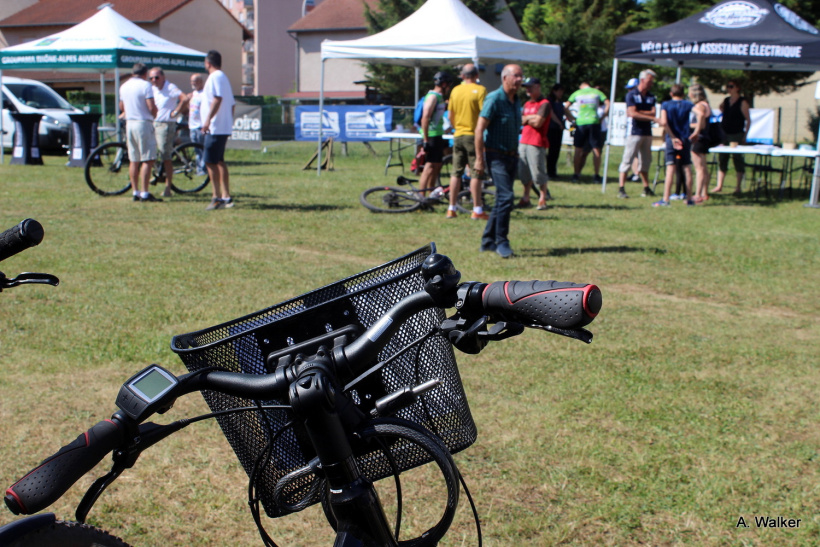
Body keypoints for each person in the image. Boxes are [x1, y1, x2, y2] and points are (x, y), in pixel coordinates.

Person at [474, 64, 523, 259]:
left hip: (512, 156)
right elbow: (479, 129)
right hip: (496, 156)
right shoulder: (494, 98)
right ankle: (502, 241)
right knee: (506, 198)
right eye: (516, 76)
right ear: (505, 78)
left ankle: (487, 241)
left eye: (521, 76)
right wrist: (479, 159)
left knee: (501, 199)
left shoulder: (516, 100)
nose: (520, 80)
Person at [447, 64, 488, 220]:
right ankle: (477, 208)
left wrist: (456, 126)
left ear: (462, 76)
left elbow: (450, 114)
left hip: (458, 134)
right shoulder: (481, 90)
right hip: (473, 134)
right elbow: (484, 113)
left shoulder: (455, 90)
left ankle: (451, 208)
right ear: (476, 75)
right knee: (476, 171)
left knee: (456, 171)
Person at [118, 63, 160, 202]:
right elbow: (150, 105)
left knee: (134, 159)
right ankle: (145, 192)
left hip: (130, 122)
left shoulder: (124, 86)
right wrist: (155, 114)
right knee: (148, 159)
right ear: (144, 73)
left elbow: (121, 106)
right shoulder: (145, 85)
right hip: (143, 122)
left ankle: (135, 191)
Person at [201, 50, 236, 210]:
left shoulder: (215, 77)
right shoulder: (224, 78)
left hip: (215, 128)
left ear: (208, 63)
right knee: (220, 161)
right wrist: (227, 121)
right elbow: (232, 104)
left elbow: (217, 98)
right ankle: (226, 196)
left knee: (210, 162)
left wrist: (208, 120)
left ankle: (216, 197)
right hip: (222, 126)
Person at [616, 69, 658, 198]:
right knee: (627, 159)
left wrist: (641, 113)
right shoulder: (632, 95)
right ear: (643, 80)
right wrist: (648, 115)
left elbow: (653, 112)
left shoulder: (651, 96)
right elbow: (632, 113)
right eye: (649, 81)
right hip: (634, 132)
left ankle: (646, 187)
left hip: (647, 132)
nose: (651, 84)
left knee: (646, 161)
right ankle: (621, 188)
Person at [418, 71, 455, 216]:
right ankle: (421, 197)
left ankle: (431, 193)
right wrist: (426, 139)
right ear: (444, 84)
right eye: (449, 85)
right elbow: (425, 117)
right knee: (429, 166)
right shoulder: (433, 96)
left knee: (437, 165)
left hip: (439, 134)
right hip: (432, 135)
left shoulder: (439, 97)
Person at [653, 84, 694, 207]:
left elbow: (664, 122)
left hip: (672, 139)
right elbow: (700, 114)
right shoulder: (688, 104)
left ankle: (666, 198)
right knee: (687, 168)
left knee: (670, 168)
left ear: (671, 94)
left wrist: (672, 137)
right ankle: (689, 198)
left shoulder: (666, 105)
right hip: (685, 138)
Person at [149, 67, 185, 198]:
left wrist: (176, 112)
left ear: (163, 77)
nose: (154, 80)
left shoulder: (170, 87)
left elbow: (184, 98)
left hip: (166, 124)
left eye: (157, 77)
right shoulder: (152, 89)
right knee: (151, 151)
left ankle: (168, 187)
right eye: (151, 78)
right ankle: (158, 174)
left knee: (165, 155)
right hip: (154, 123)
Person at [517, 77, 551, 210]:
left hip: (536, 142)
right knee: (523, 171)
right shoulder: (527, 104)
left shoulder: (544, 103)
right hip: (524, 140)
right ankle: (526, 197)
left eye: (530, 87)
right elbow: (520, 120)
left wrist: (527, 119)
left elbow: (539, 122)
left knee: (538, 171)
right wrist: (530, 118)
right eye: (526, 87)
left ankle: (542, 198)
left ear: (538, 87)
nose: (528, 89)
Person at [565, 82, 608, 183]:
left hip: (581, 122)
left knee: (578, 149)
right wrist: (603, 116)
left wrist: (573, 118)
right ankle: (596, 175)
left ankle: (576, 174)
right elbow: (608, 103)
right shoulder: (596, 92)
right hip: (594, 121)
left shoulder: (577, 93)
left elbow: (566, 107)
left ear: (581, 86)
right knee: (596, 149)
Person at [714, 79, 751, 195]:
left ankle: (738, 187)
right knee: (722, 159)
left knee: (737, 159)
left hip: (736, 133)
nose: (728, 89)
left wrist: (745, 135)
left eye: (731, 86)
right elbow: (722, 109)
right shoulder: (726, 100)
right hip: (725, 133)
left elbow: (748, 119)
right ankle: (719, 185)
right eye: (727, 86)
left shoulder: (742, 101)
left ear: (737, 88)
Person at [688, 83, 712, 203]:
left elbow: (701, 121)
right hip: (704, 137)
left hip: (699, 138)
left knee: (699, 168)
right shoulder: (705, 104)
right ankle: (704, 192)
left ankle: (697, 194)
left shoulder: (699, 106)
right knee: (703, 167)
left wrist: (695, 131)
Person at [187, 73, 207, 176]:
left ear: (200, 82)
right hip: (192, 126)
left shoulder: (204, 94)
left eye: (195, 81)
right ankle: (199, 168)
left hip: (200, 126)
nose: (193, 84)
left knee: (201, 148)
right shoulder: (193, 94)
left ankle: (203, 170)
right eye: (192, 82)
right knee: (196, 150)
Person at [546, 83, 566, 180]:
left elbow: (565, 112)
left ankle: (553, 171)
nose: (561, 93)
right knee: (551, 150)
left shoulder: (560, 102)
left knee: (556, 151)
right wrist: (559, 123)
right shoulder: (549, 101)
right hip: (551, 128)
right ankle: (549, 171)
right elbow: (551, 114)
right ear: (554, 91)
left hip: (558, 129)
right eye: (559, 91)